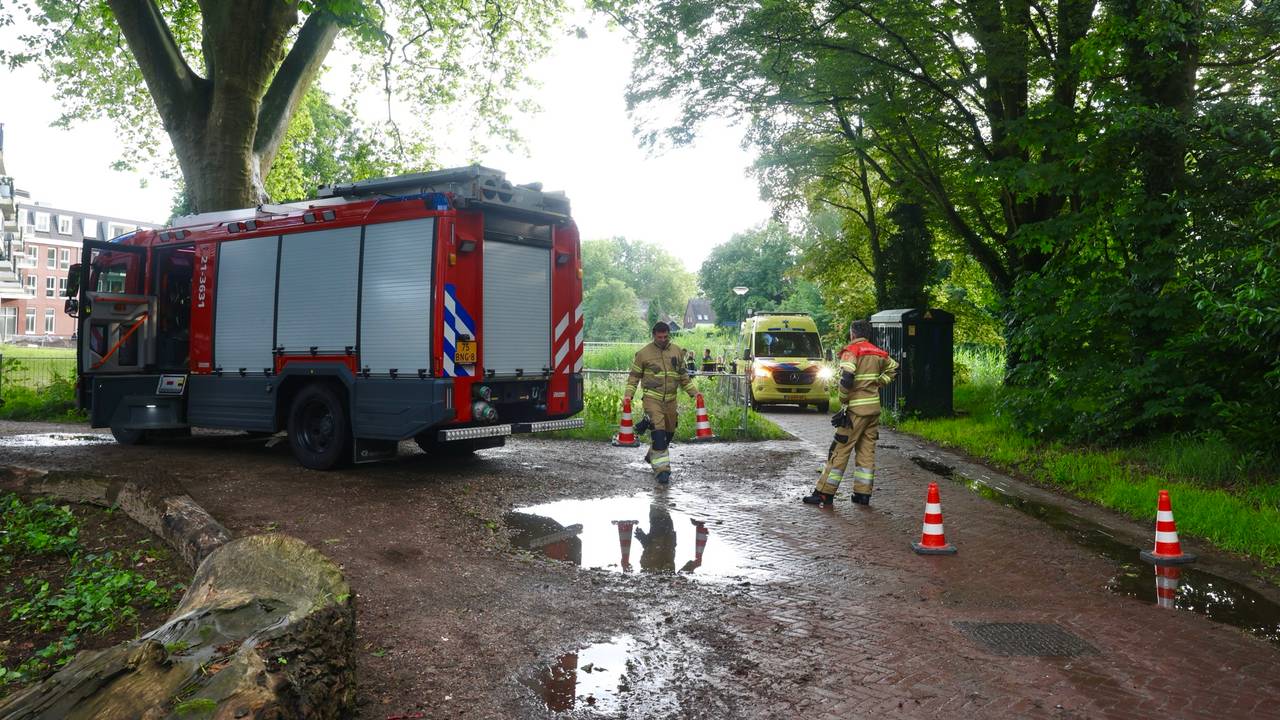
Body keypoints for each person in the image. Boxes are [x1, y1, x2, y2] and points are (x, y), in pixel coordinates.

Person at [803, 319, 898, 507]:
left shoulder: (852, 351)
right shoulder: (878, 352)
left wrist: (844, 399)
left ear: (853, 333)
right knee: (866, 451)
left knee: (839, 450)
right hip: (873, 410)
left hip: (855, 411)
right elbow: (895, 368)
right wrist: (878, 383)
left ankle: (824, 493)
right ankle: (863, 495)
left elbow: (847, 378)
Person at [624, 321, 699, 484]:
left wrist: (695, 393)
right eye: (660, 337)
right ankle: (662, 470)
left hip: (671, 400)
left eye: (666, 337)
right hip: (652, 399)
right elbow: (634, 377)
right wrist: (628, 395)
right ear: (654, 335)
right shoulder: (643, 354)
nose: (663, 340)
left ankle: (652, 454)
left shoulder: (677, 351)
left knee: (669, 433)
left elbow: (683, 377)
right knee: (658, 432)